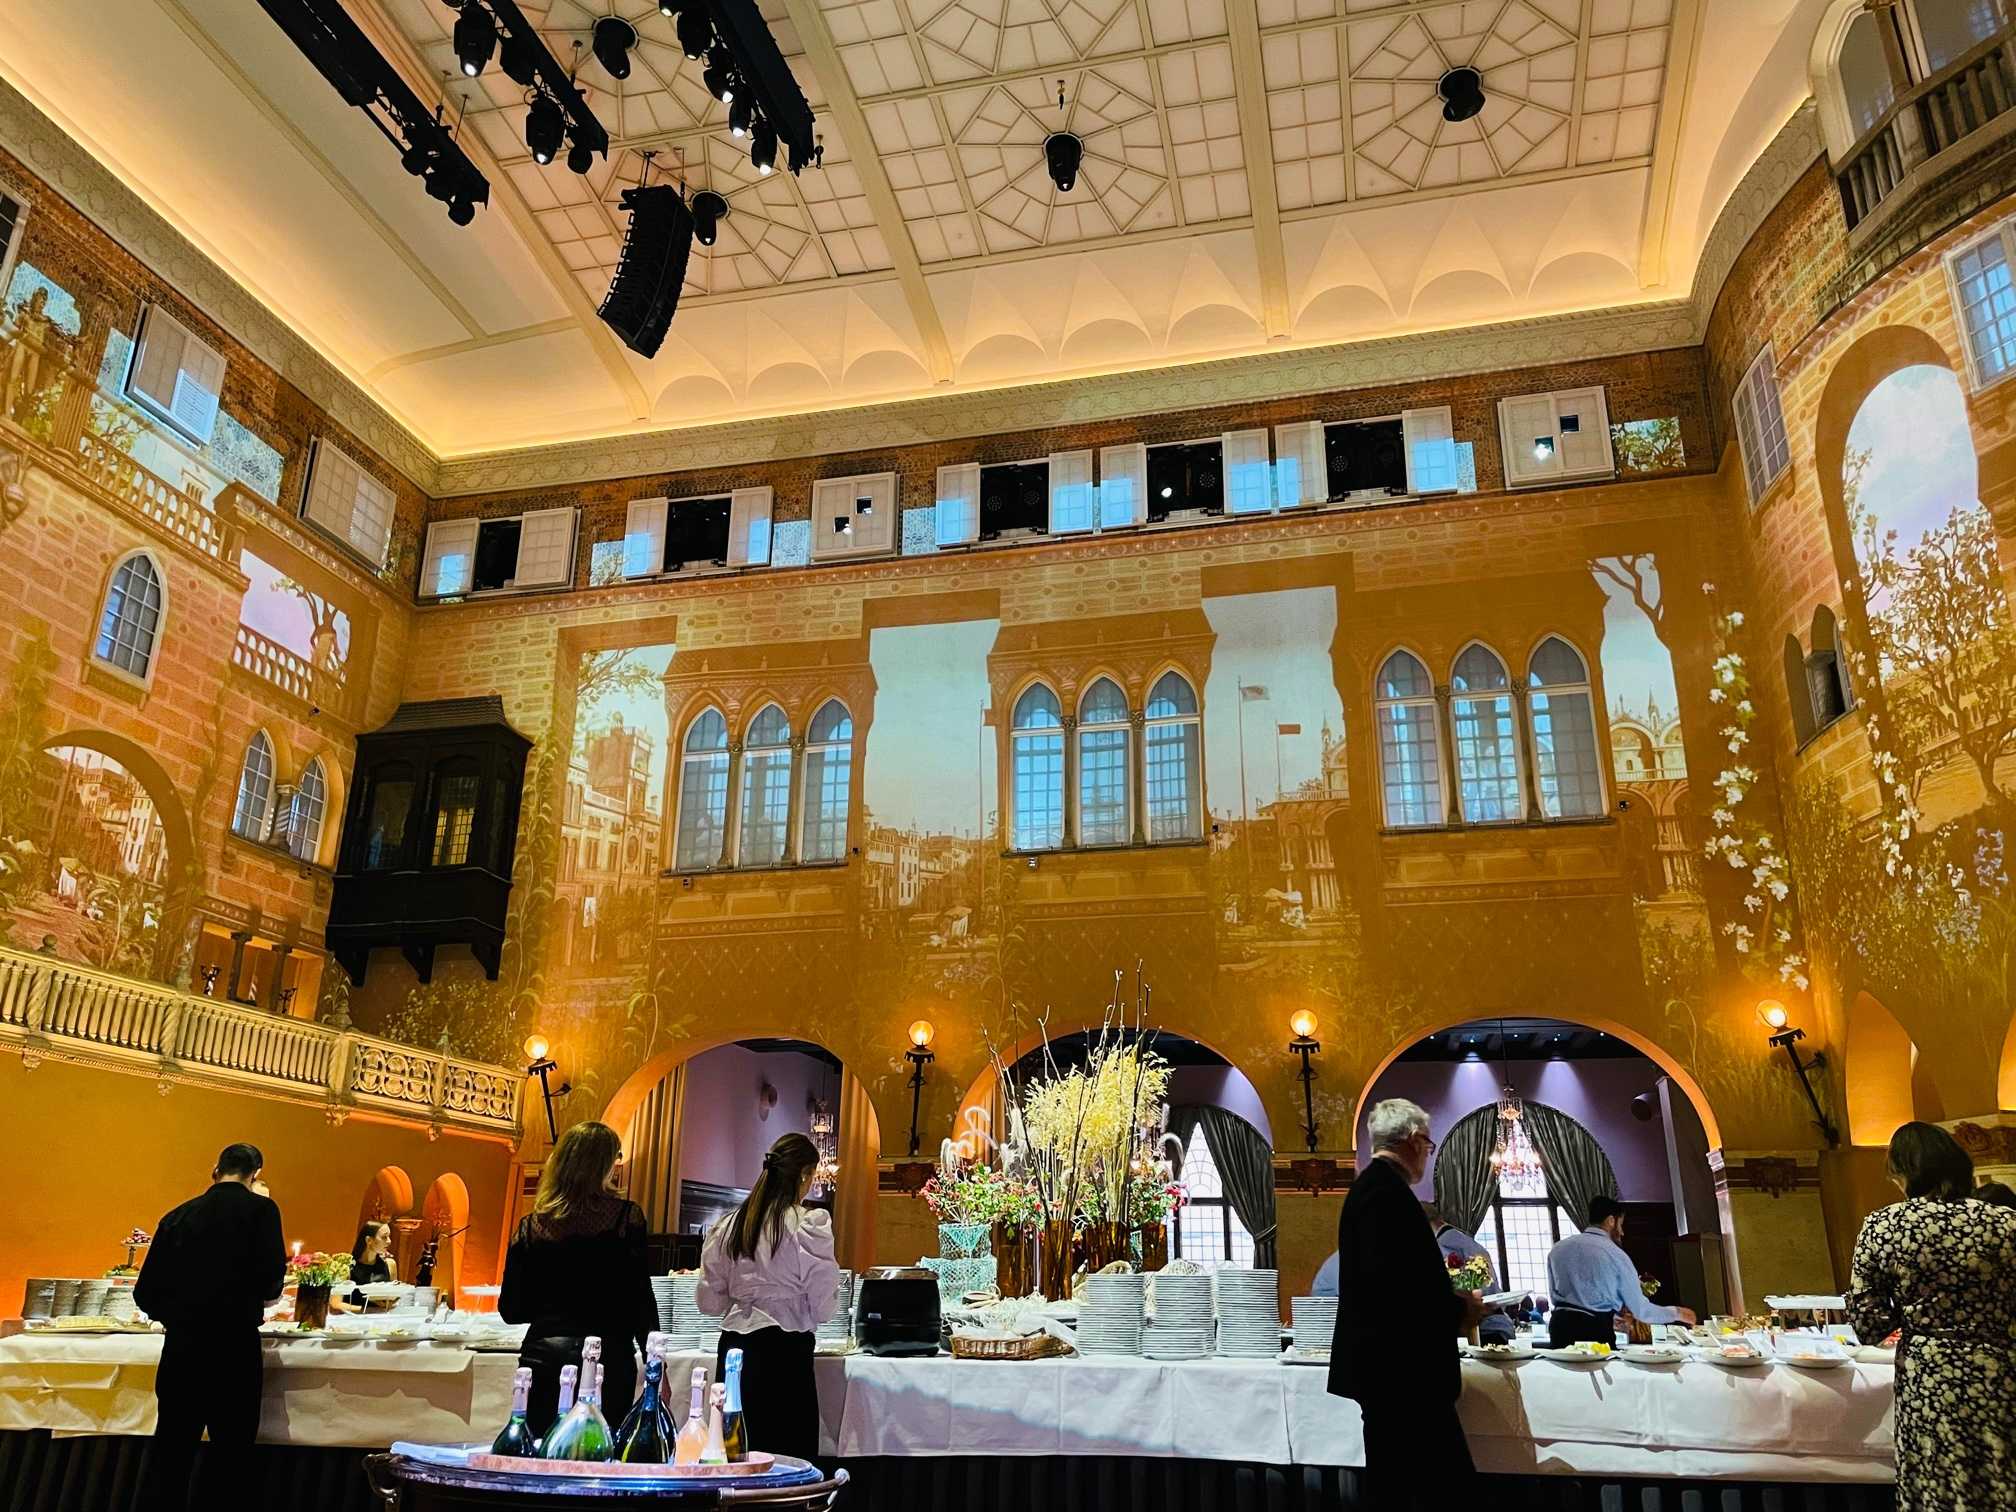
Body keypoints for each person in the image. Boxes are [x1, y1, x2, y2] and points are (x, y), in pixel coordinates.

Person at [1326, 1099, 1485, 1510]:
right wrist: (1460, 1310)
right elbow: (1398, 1292)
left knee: (1398, 1486)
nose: (1427, 1155)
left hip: (1391, 1373)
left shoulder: (1373, 1189)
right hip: (1403, 1376)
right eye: (1429, 1146)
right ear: (1414, 1140)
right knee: (1428, 1490)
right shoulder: (1386, 1194)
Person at [1849, 1122, 2016, 1510]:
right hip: (1999, 1369)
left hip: (1929, 1374)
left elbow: (1869, 1325)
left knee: (1936, 1480)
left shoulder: (1886, 1225)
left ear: (1904, 1172)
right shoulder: (2006, 1222)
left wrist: (1915, 1307)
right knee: (2000, 1474)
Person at [133, 1142, 286, 1512]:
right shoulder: (262, 1210)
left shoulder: (177, 1216)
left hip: (183, 1348)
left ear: (215, 1170)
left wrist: (178, 1317)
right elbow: (271, 1284)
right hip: (235, 1347)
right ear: (255, 1175)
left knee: (171, 1453)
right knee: (231, 1455)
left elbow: (145, 1293)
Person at [499, 1121, 656, 1439]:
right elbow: (640, 1300)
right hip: (608, 1356)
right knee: (601, 1450)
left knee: (542, 1450)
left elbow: (511, 1310)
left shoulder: (531, 1227)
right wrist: (655, 1362)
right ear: (604, 1165)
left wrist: (553, 1303)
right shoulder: (626, 1219)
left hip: (544, 1354)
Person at [697, 1133, 840, 1464]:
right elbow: (824, 1306)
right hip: (784, 1350)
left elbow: (709, 1302)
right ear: (804, 1174)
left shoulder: (730, 1225)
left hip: (735, 1346)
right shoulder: (806, 1224)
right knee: (787, 1457)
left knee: (734, 1451)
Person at [1545, 1196, 1695, 1346]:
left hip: (1559, 1327)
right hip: (1594, 1330)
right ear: (1611, 1220)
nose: (1622, 1232)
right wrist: (1678, 1313)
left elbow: (1556, 1297)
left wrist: (1613, 1318)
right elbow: (1641, 1310)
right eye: (1621, 1225)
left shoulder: (1558, 1249)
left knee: (1563, 1362)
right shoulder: (1615, 1254)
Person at [334, 1220, 397, 1312]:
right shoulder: (346, 1267)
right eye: (384, 1237)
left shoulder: (390, 1264)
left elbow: (393, 1299)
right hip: (352, 1319)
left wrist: (388, 1304)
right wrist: (370, 1310)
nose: (389, 1241)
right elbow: (335, 1304)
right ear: (368, 1240)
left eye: (389, 1236)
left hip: (381, 1319)